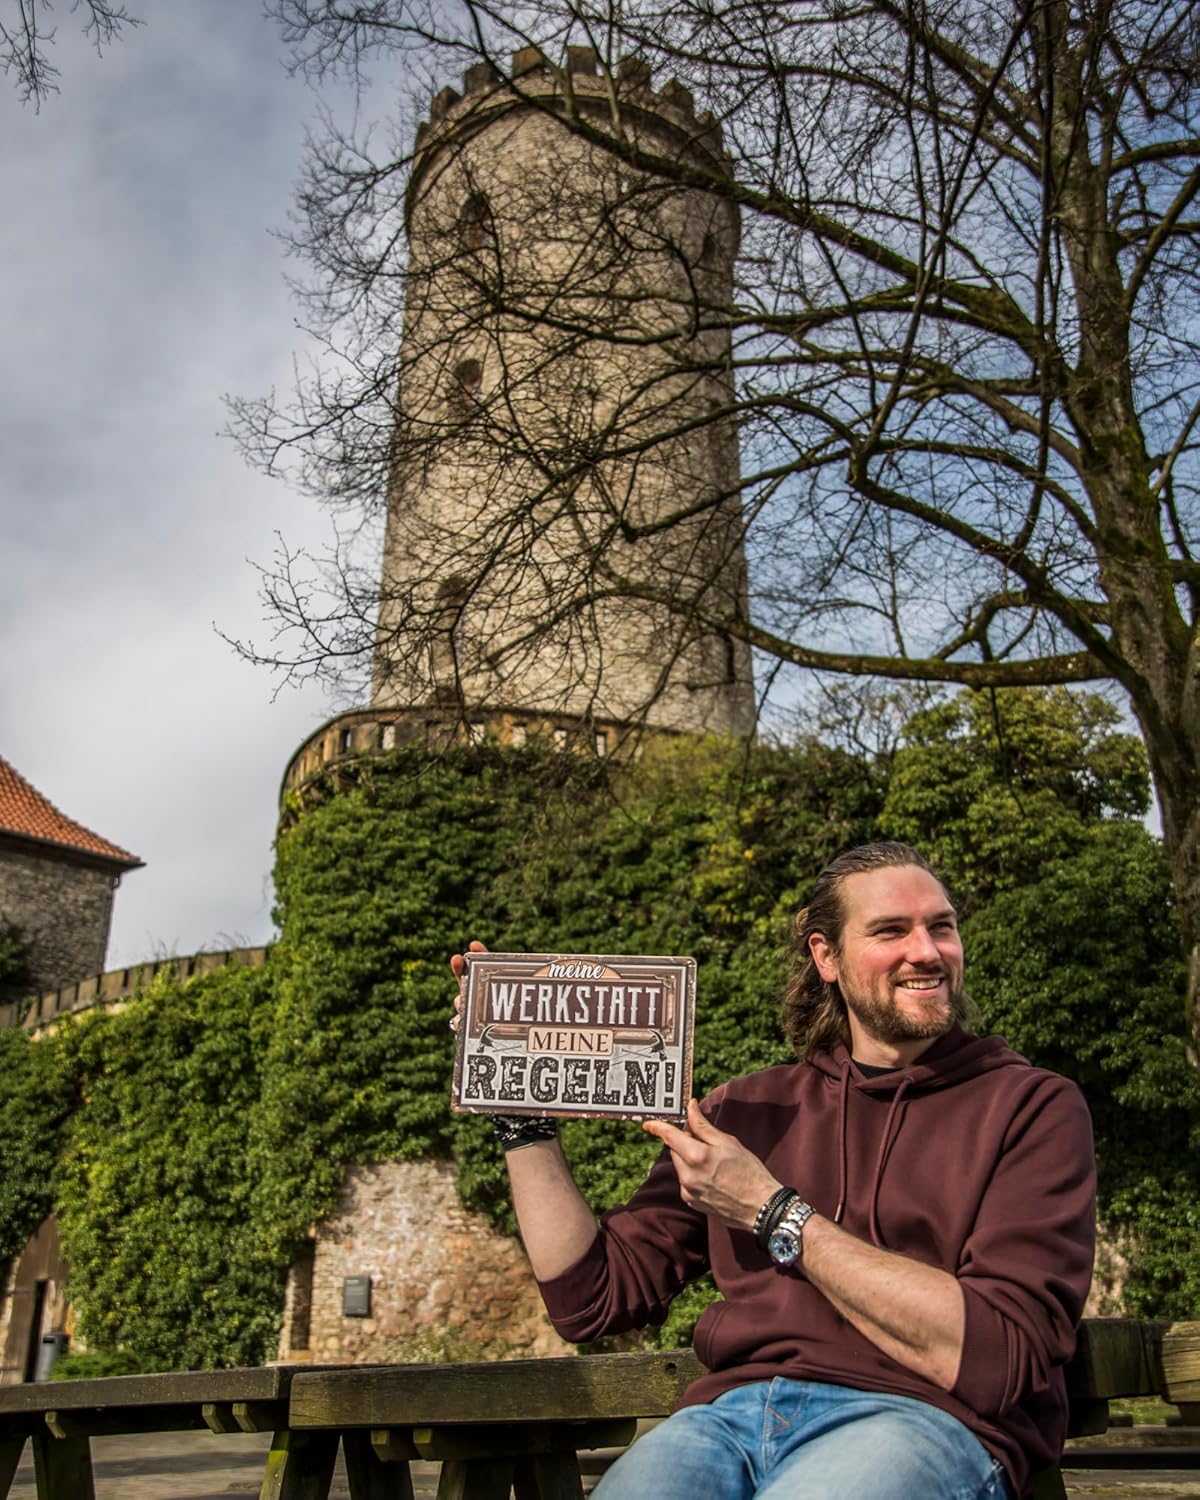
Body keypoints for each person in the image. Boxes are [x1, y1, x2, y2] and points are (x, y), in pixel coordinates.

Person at [450, 841, 1096, 1500]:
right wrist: (518, 1115)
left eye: (942, 926)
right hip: (727, 1420)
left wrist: (773, 1210)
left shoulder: (1030, 1107)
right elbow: (591, 1299)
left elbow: (1002, 1356)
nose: (927, 951)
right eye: (891, 931)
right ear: (827, 957)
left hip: (923, 1422)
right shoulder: (747, 1110)